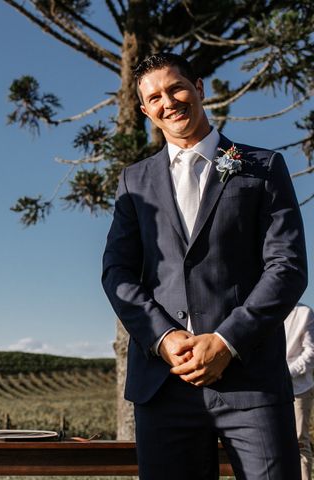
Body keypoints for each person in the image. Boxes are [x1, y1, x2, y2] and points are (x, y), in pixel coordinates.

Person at [102, 53, 307, 479]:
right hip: (163, 384)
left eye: (176, 87)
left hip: (251, 382)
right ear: (145, 111)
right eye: (154, 97)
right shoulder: (132, 182)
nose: (168, 101)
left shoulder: (263, 167)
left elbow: (287, 267)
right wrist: (164, 337)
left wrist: (226, 341)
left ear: (200, 88)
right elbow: (117, 273)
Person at [285, 303, 314, 480]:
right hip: (268, 388)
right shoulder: (265, 311)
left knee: (299, 443)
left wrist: (286, 373)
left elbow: (311, 354)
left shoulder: (305, 313)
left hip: (299, 390)